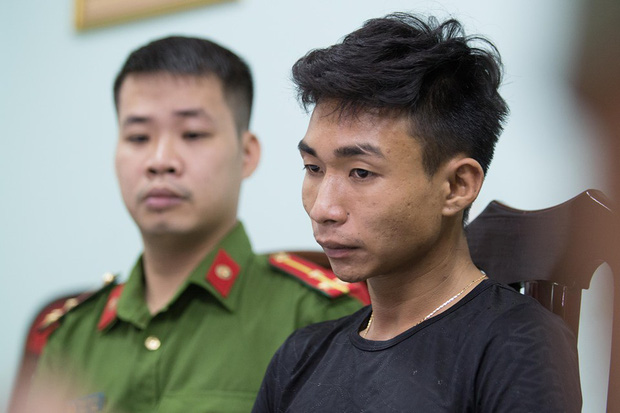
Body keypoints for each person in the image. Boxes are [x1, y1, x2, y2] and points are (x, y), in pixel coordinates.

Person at [20, 36, 368, 413]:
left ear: (246, 154)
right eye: (138, 137)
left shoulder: (318, 316)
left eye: (192, 134)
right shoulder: (69, 336)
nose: (160, 161)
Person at [252, 13, 582, 412]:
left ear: (457, 186)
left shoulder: (518, 344)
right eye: (313, 168)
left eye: (361, 172)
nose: (323, 208)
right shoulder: (300, 356)